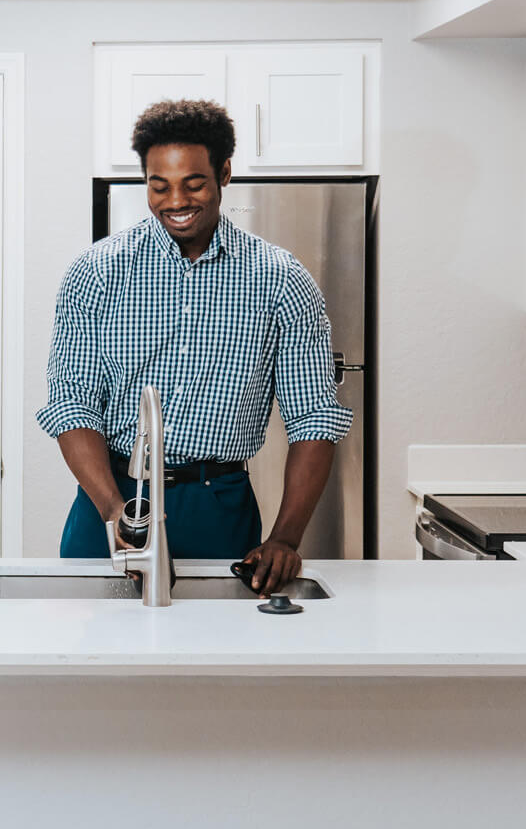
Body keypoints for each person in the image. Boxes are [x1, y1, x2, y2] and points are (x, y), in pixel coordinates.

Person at [37, 98, 351, 593]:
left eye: (194, 183)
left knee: (214, 663)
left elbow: (313, 416)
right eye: (158, 186)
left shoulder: (280, 279)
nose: (175, 201)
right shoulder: (96, 272)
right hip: (112, 499)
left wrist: (285, 538)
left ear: (224, 173)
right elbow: (72, 405)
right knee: (96, 661)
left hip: (219, 508)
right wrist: (113, 510)